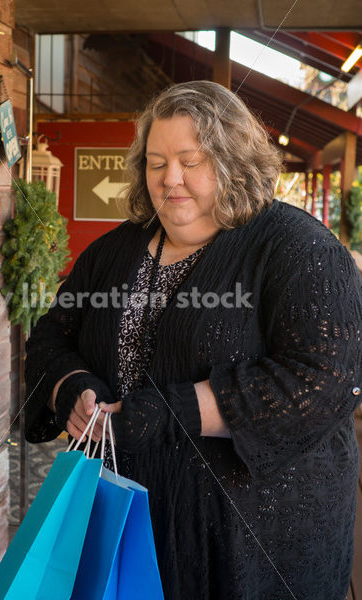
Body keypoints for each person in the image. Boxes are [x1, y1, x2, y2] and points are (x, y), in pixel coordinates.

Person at [23, 81, 362, 599]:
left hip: (254, 542)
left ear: (233, 162)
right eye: (156, 163)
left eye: (190, 160)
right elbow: (51, 336)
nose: (169, 179)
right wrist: (71, 387)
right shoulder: (112, 252)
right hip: (127, 521)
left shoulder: (298, 248)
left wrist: (171, 411)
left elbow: (325, 379)